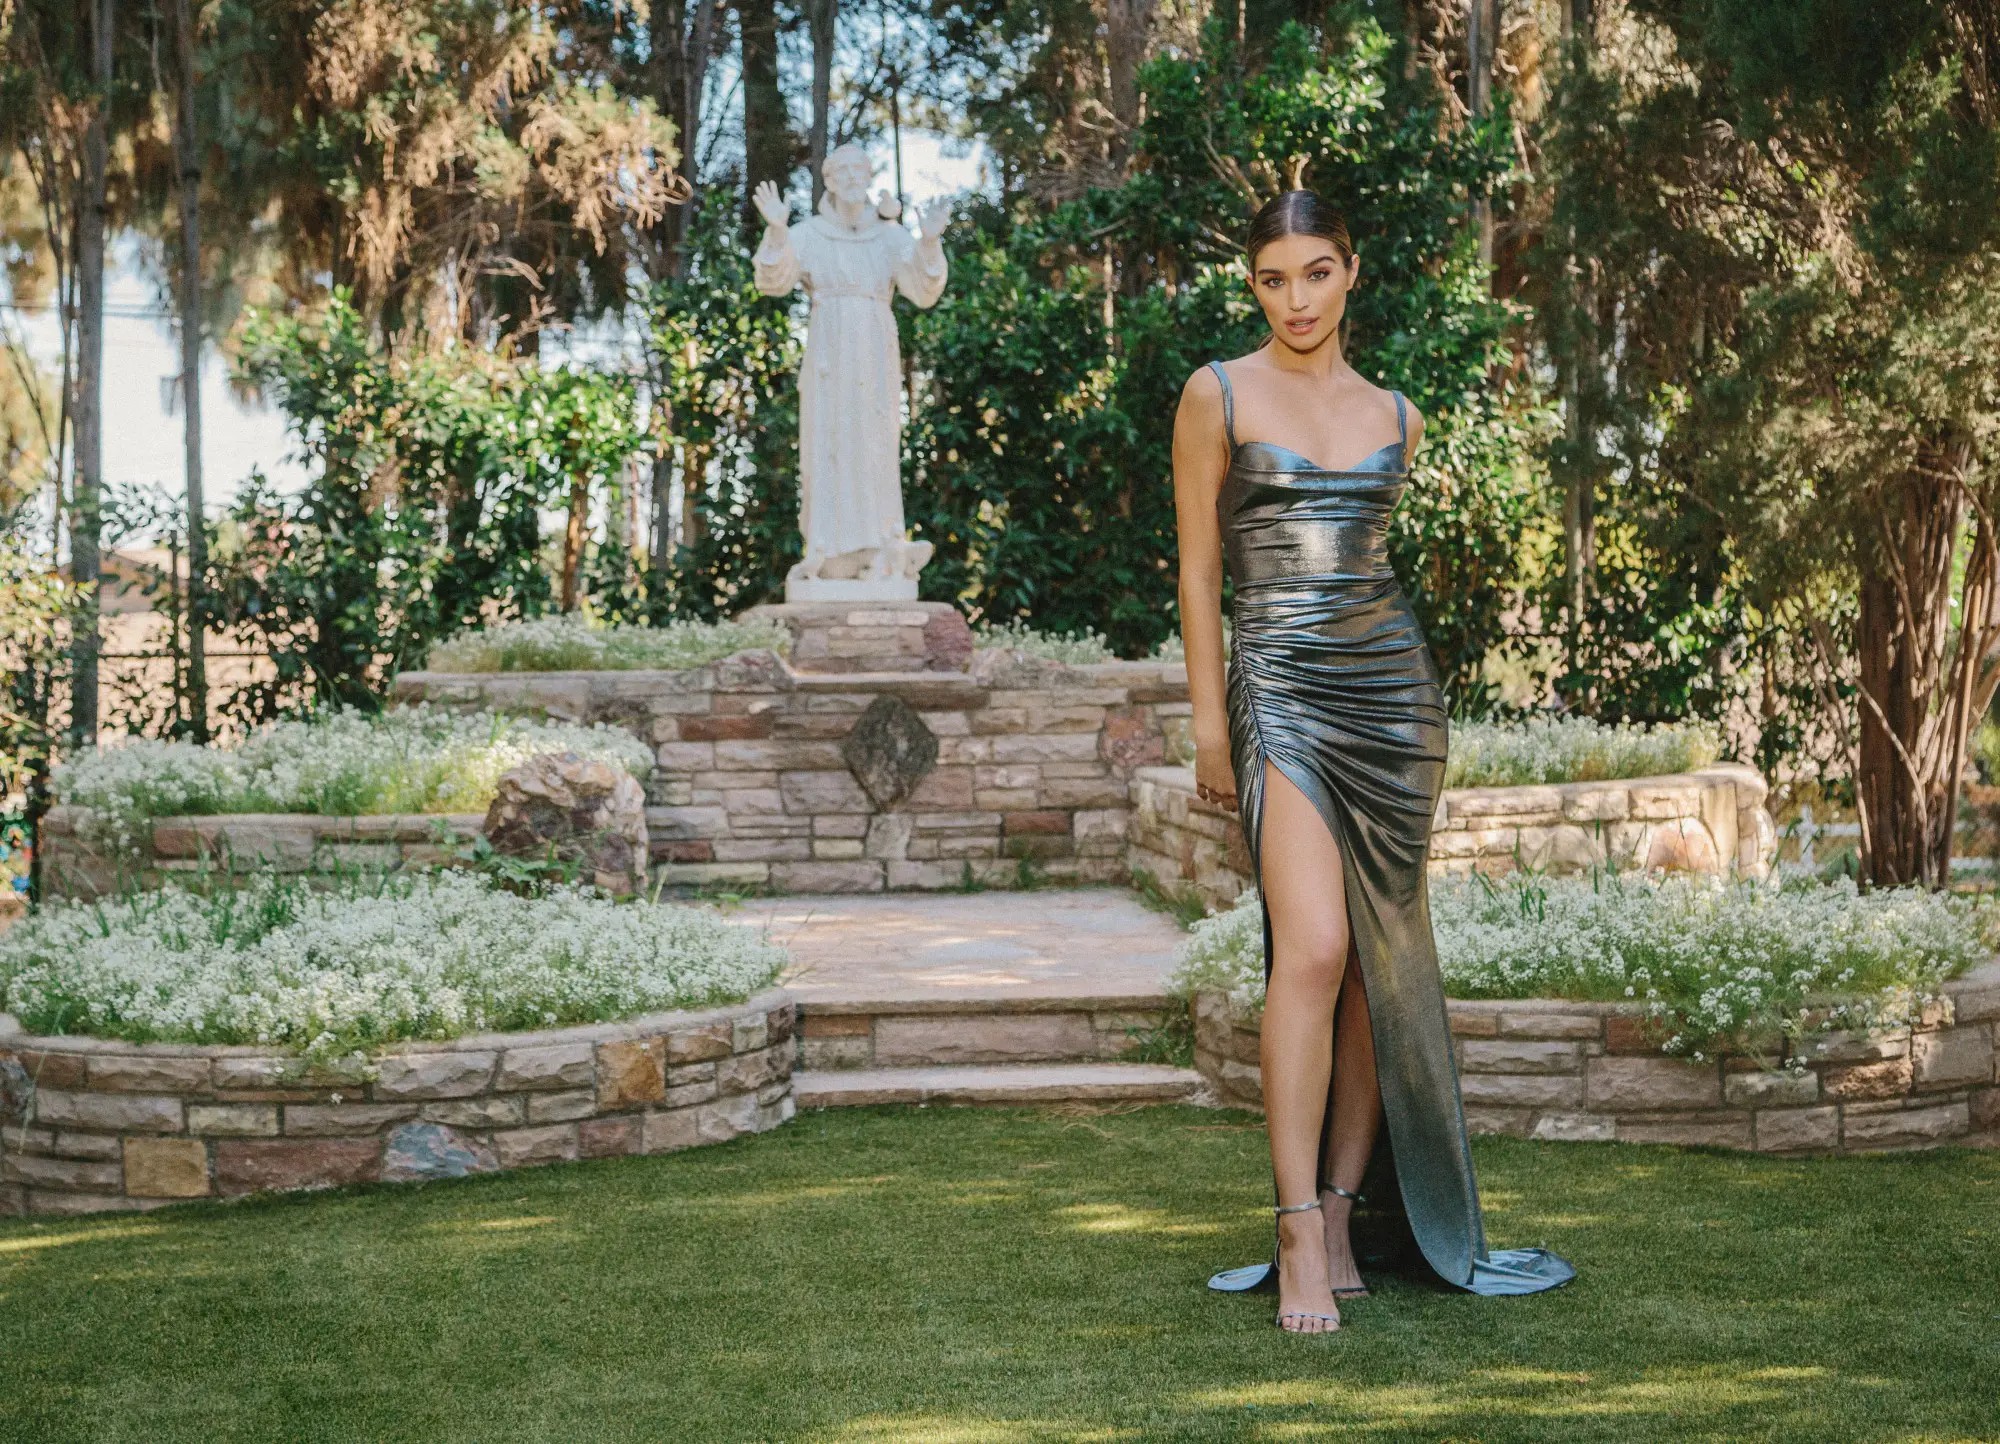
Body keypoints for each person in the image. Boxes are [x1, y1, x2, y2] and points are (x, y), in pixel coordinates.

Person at [1172, 189, 1575, 1335]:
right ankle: (1294, 1228)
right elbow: (1200, 575)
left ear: (1352, 272)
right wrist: (1211, 725)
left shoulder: (1396, 413)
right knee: (1309, 946)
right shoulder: (1216, 392)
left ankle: (1345, 1210)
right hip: (1279, 695)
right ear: (1251, 286)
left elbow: (1372, 570)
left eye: (1314, 272)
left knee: (1373, 966)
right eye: (1270, 278)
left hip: (1394, 701)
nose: (1293, 298)